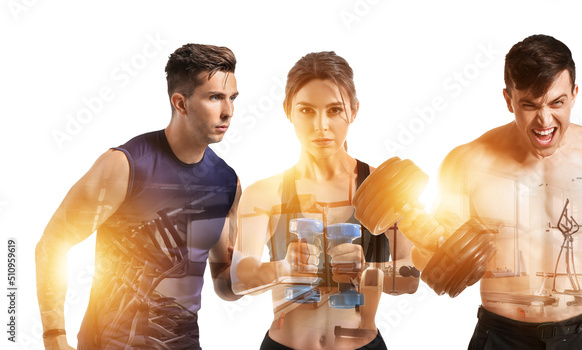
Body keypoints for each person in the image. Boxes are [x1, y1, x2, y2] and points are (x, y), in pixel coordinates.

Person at [429, 34, 582, 349]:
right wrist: (415, 240)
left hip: (581, 337)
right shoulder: (467, 163)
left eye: (557, 103)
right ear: (508, 99)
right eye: (530, 105)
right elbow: (434, 255)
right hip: (500, 337)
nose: (544, 120)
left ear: (575, 94)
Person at [35, 43, 242, 349]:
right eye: (215, 98)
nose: (228, 111)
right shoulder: (124, 166)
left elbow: (225, 284)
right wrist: (54, 337)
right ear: (181, 103)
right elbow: (52, 244)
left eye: (232, 99)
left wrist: (274, 271)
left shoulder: (227, 183)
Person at [231, 51, 417, 350]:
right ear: (287, 111)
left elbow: (411, 277)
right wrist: (282, 268)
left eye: (334, 110)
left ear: (354, 111)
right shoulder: (264, 193)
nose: (320, 125)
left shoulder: (384, 188)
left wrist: (370, 271)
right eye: (306, 110)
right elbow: (240, 280)